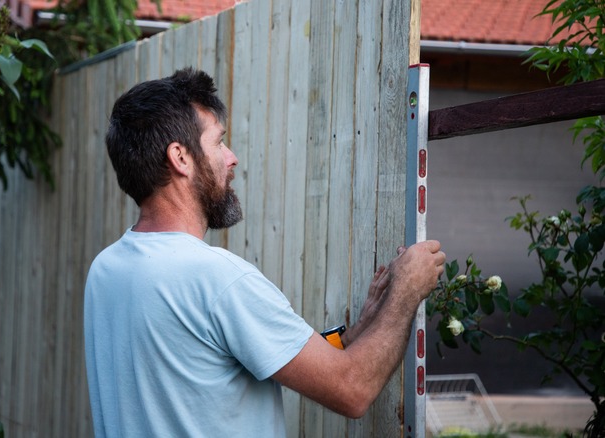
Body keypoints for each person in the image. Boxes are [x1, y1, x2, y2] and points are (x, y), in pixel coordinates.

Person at [83, 67, 445, 437]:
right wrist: (406, 289)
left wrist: (358, 334)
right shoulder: (216, 279)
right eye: (218, 142)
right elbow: (351, 390)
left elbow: (206, 367)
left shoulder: (106, 269)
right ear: (180, 157)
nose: (232, 157)